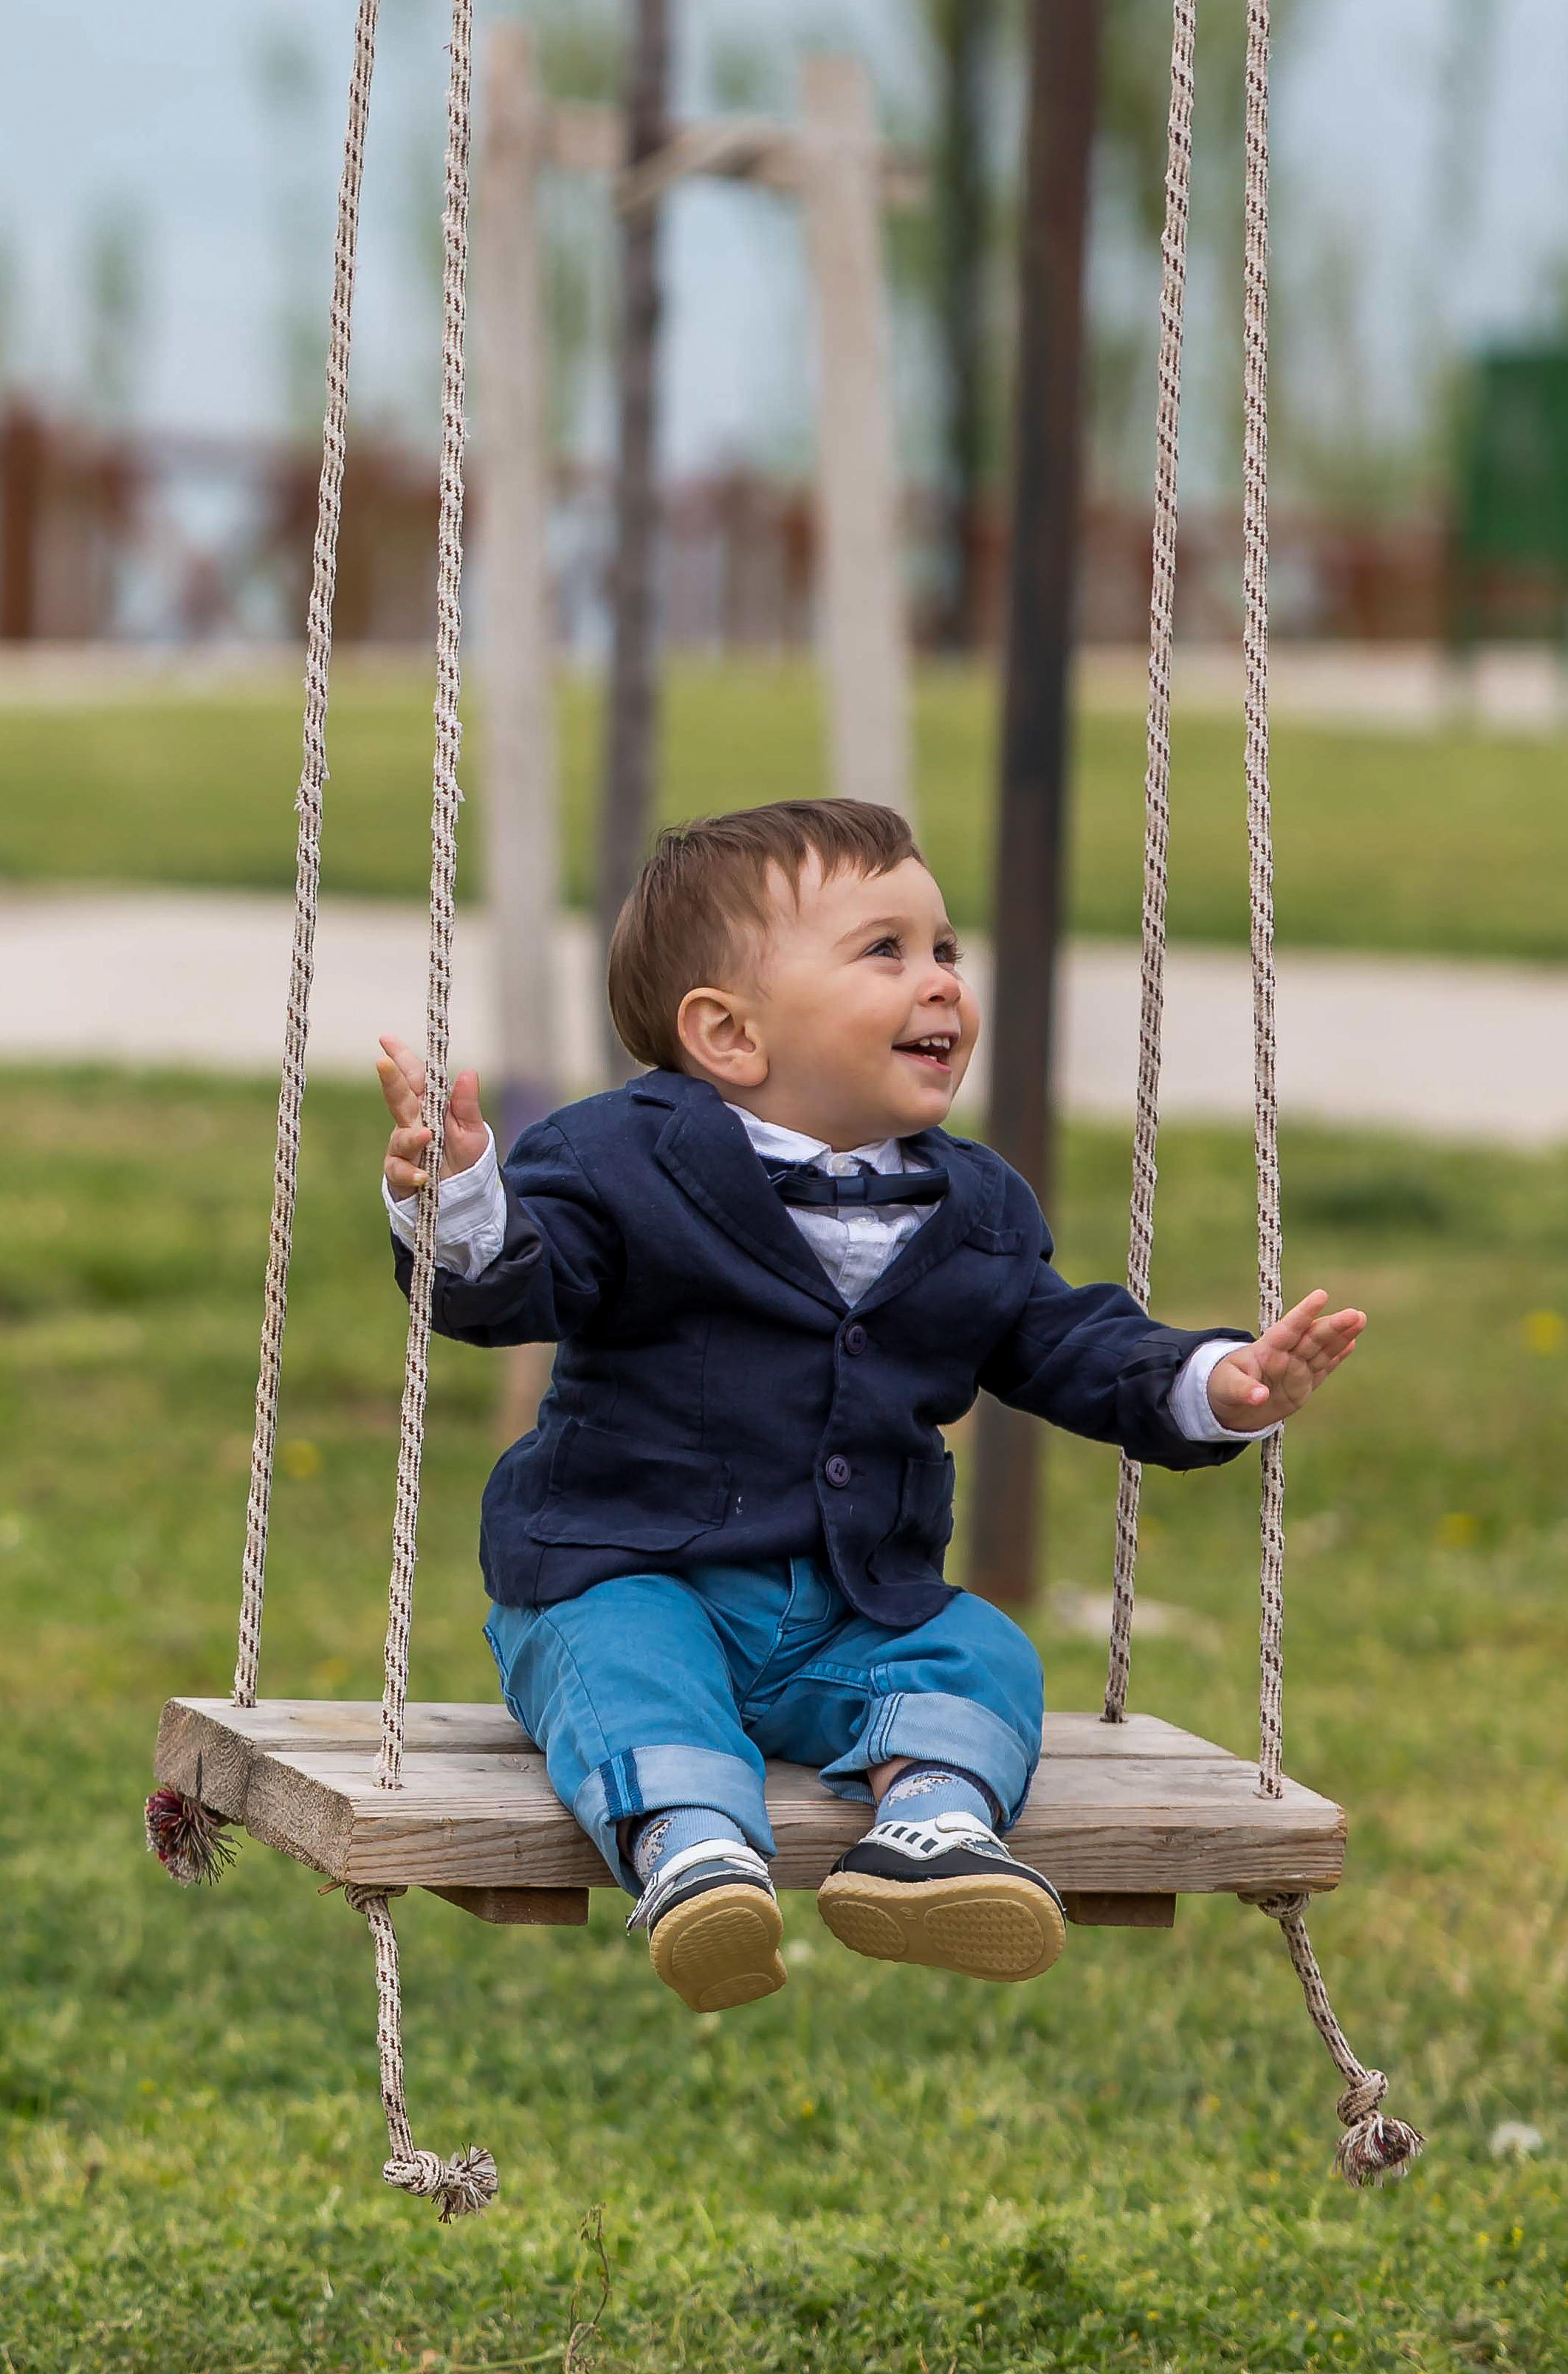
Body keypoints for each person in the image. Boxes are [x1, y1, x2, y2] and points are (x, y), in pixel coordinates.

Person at [376, 800, 1364, 2015]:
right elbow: (512, 1287)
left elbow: (1059, 1340)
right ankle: (695, 1852)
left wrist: (1215, 1382)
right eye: (884, 951)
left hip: (854, 1613)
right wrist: (461, 1203)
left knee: (982, 1649)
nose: (941, 982)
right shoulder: (617, 1161)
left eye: (944, 948)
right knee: (619, 1660)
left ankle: (931, 1834)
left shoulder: (975, 1206)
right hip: (625, 1570)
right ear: (729, 1035)